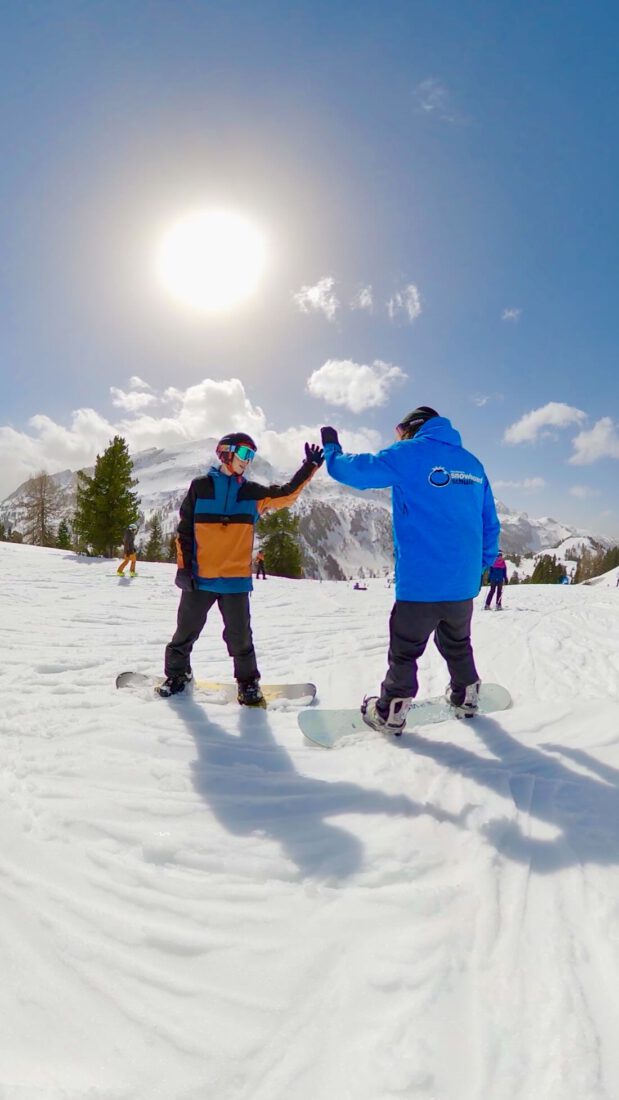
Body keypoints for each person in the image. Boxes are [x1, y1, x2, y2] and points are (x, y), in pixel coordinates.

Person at [321, 406, 500, 733]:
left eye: (399, 431)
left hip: (420, 584)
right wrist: (478, 567)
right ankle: (468, 694)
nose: (398, 436)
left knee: (405, 652)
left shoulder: (409, 453)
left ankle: (391, 710)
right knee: (458, 644)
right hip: (462, 586)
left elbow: (355, 472)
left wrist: (331, 450)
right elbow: (490, 524)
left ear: (412, 427)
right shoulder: (473, 465)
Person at [159, 431, 323, 703]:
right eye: (245, 454)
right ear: (226, 452)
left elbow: (285, 495)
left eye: (252, 456)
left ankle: (248, 684)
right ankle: (178, 675)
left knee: (240, 639)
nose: (248, 461)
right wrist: (184, 569)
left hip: (235, 582)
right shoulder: (200, 487)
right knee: (184, 633)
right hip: (200, 579)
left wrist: (309, 467)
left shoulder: (251, 492)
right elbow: (184, 531)